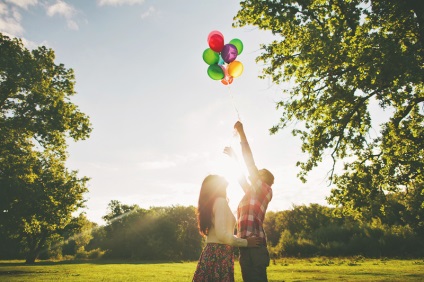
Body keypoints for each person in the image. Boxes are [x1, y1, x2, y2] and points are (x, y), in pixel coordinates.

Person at [224, 120, 274, 282]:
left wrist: (242, 133)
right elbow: (241, 177)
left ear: (265, 178)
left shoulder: (264, 190)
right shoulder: (253, 192)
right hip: (246, 247)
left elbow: (250, 164)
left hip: (256, 247)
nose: (256, 173)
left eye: (259, 172)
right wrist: (234, 158)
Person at [193, 174, 262, 282]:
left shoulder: (214, 203)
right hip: (219, 254)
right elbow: (222, 235)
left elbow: (221, 233)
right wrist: (246, 242)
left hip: (212, 253)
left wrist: (239, 238)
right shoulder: (220, 202)